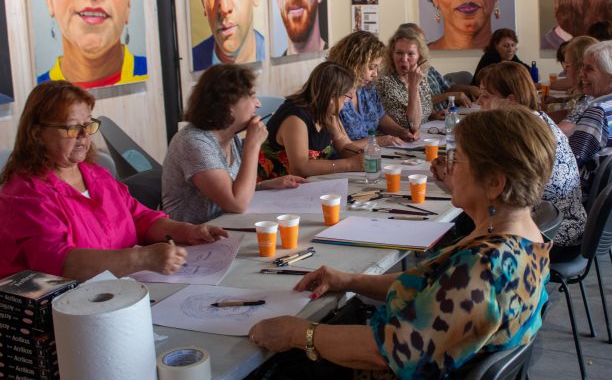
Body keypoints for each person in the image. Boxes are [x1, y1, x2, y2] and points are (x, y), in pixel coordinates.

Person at [249, 107, 553, 378]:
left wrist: (298, 333)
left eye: (457, 160)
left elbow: (386, 352)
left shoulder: (482, 268)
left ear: (495, 183)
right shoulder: (525, 238)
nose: (448, 167)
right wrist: (350, 280)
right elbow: (430, 286)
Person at [0, 81, 227, 281]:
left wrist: (186, 231)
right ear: (37, 134)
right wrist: (142, 258)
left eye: (87, 124)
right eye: (72, 127)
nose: (84, 135)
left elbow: (139, 218)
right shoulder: (24, 195)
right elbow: (60, 264)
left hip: (120, 291)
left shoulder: (96, 175)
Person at [436, 61, 586, 261]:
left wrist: (452, 179)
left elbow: (493, 189)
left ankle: (446, 264)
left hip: (552, 234)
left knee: (461, 221)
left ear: (511, 100)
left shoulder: (517, 136)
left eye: (486, 95)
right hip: (554, 222)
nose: (479, 101)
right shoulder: (532, 120)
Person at [162, 65, 304, 224]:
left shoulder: (229, 136)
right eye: (252, 97)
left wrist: (265, 186)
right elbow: (237, 204)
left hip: (224, 226)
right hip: (196, 234)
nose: (258, 104)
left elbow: (230, 189)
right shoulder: (193, 143)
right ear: (228, 105)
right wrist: (252, 145)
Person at [260, 62, 364, 178]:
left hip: (310, 182)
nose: (346, 103)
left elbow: (344, 145)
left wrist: (365, 155)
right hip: (275, 185)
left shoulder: (327, 112)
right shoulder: (295, 118)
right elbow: (300, 167)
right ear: (332, 96)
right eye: (346, 97)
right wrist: (349, 164)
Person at [568, 41, 612, 197]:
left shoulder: (598, 112)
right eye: (582, 67)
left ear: (611, 76)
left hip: (581, 195)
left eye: (589, 69)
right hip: (604, 191)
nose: (581, 74)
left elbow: (570, 161)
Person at [327, 31, 416, 147]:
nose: (375, 74)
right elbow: (342, 147)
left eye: (377, 68)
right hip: (345, 156)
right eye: (371, 67)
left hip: (369, 153)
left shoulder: (367, 87)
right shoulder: (333, 94)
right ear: (354, 63)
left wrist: (402, 132)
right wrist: (377, 141)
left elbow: (380, 117)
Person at [395, 23, 479, 114]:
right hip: (428, 119)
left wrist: (468, 88)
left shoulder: (429, 68)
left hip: (445, 115)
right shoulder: (401, 72)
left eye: (424, 42)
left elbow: (448, 88)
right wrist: (448, 96)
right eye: (421, 43)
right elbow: (413, 102)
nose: (425, 47)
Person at [376, 24, 434, 129]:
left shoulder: (420, 77)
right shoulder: (384, 82)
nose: (404, 59)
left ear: (420, 56)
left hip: (422, 133)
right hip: (396, 137)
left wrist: (435, 114)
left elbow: (425, 110)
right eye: (399, 53)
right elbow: (410, 124)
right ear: (391, 54)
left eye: (410, 54)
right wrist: (413, 87)